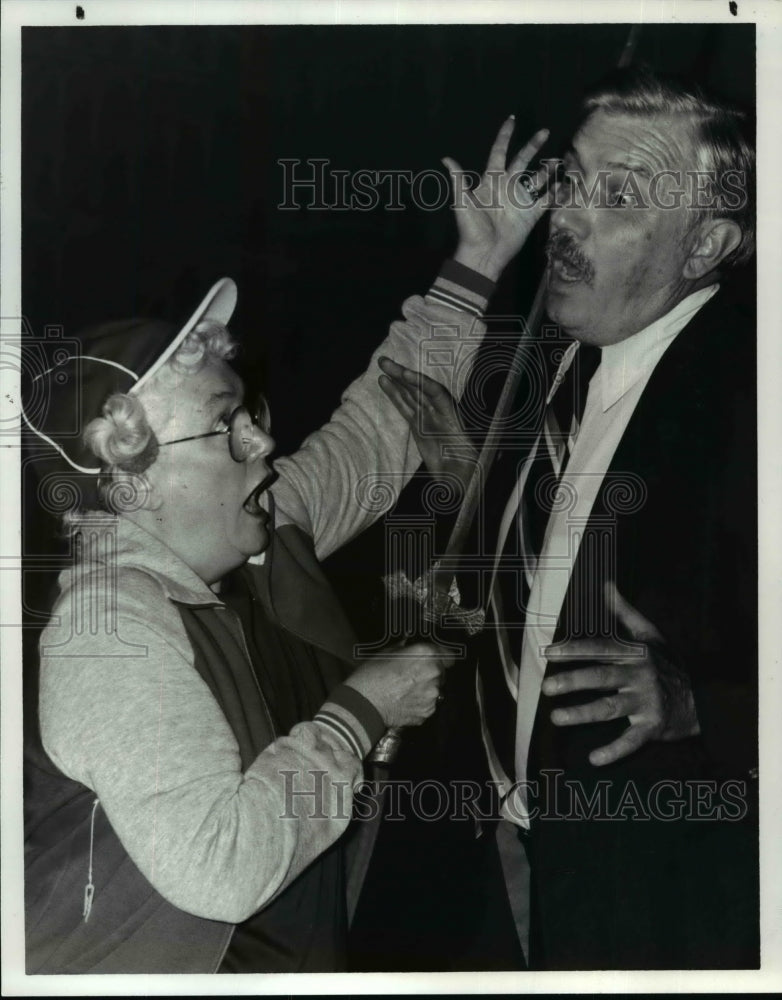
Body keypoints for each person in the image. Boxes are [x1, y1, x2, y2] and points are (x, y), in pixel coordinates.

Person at [21, 124, 552, 974]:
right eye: (225, 431)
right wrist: (358, 715)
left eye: (249, 415)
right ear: (131, 484)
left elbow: (379, 431)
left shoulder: (259, 534)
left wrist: (477, 263)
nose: (262, 445)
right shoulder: (106, 629)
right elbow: (218, 865)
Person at [380, 67, 758, 969]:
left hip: (637, 904)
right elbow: (542, 541)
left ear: (705, 242)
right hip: (468, 868)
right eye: (573, 183)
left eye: (619, 197)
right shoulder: (549, 345)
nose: (568, 220)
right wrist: (463, 488)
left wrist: (709, 705)